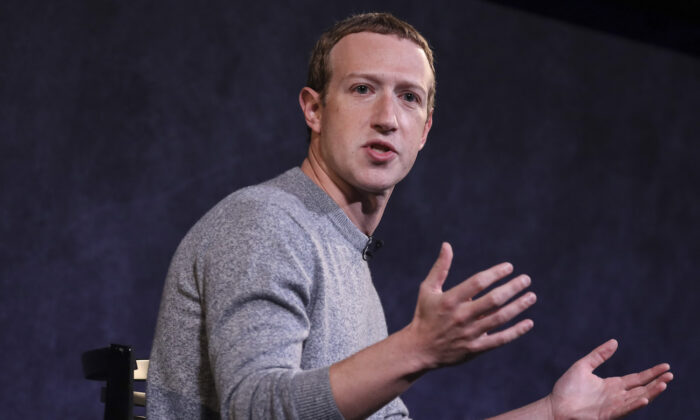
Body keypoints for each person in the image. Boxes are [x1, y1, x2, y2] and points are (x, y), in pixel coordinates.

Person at [148, 12, 672, 420]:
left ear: (424, 131)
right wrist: (416, 349)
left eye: (408, 97)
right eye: (361, 89)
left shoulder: (348, 263)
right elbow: (255, 409)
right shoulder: (265, 222)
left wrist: (553, 412)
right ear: (313, 109)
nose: (386, 118)